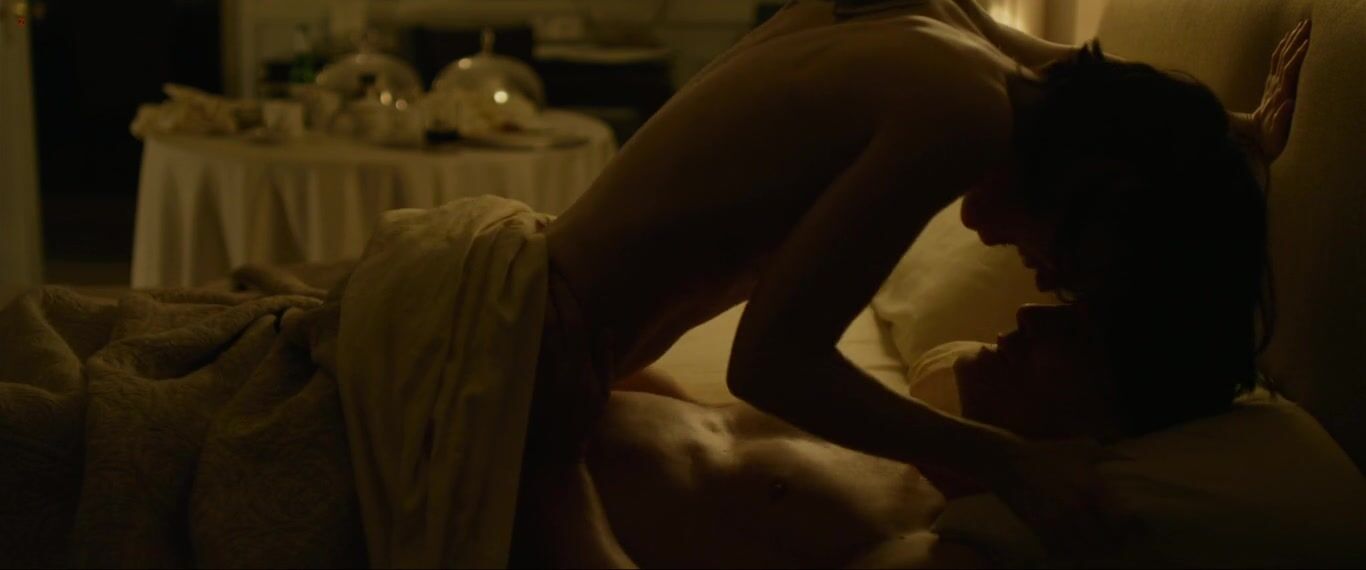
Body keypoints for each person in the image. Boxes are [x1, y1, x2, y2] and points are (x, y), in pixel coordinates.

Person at [514, 0, 1309, 561]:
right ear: (1091, 187)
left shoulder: (943, 27)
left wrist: (1232, 130)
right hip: (522, 342)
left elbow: (1095, 86)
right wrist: (1008, 461)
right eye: (1052, 261)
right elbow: (768, 363)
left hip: (512, 303)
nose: (995, 241)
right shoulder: (965, 113)